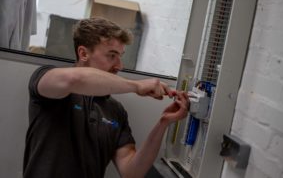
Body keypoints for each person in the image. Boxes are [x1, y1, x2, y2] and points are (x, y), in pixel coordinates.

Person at [23, 17, 189, 178]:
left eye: (120, 56)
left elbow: (132, 173)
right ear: (83, 53)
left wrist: (163, 123)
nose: (119, 66)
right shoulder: (48, 80)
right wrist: (137, 86)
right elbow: (75, 79)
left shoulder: (115, 111)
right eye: (111, 55)